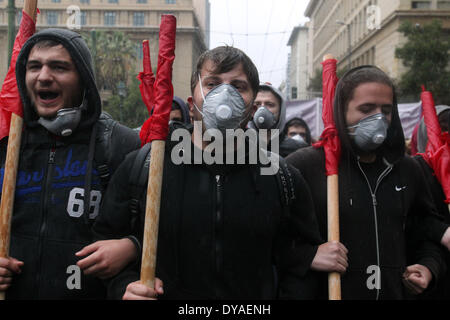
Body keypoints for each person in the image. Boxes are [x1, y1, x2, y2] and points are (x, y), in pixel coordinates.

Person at [92, 46, 323, 300]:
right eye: (212, 84)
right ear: (192, 103)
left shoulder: (281, 177)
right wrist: (125, 287)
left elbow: (302, 260)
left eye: (238, 86)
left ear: (252, 104)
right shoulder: (148, 167)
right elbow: (108, 244)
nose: (225, 94)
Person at [0, 28, 141, 299]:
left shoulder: (119, 144)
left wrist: (131, 246)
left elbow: (158, 232)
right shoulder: (6, 142)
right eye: (34, 67)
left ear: (83, 79)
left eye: (59, 67)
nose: (43, 76)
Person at [286, 65, 447, 300]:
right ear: (341, 111)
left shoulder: (407, 168)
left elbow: (425, 228)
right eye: (366, 109)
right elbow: (269, 237)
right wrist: (307, 256)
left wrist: (428, 266)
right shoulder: (304, 166)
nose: (378, 118)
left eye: (386, 110)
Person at [414, 105, 450, 299]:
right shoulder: (416, 169)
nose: (447, 134)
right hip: (433, 278)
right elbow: (410, 217)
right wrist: (442, 232)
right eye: (441, 127)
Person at [249, 83, 286, 151]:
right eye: (257, 104)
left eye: (269, 104)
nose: (262, 109)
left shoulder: (293, 148)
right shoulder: (240, 145)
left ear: (281, 110)